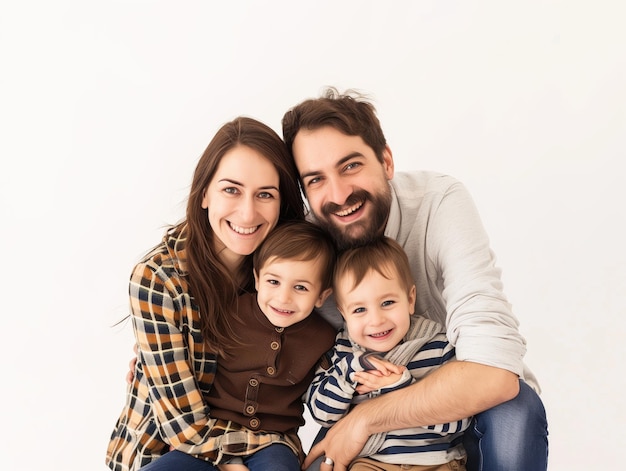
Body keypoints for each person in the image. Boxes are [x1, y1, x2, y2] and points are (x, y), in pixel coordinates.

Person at [281, 87, 549, 471]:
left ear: (386, 161)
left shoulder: (439, 202)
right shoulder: (305, 251)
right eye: (316, 180)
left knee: (516, 411)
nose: (338, 194)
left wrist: (365, 419)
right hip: (373, 445)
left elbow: (495, 372)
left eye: (351, 165)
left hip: (458, 419)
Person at [106, 116, 308, 471]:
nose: (247, 212)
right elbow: (183, 426)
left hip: (264, 441)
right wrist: (231, 465)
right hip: (170, 446)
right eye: (231, 189)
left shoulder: (290, 274)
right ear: (204, 195)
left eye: (265, 194)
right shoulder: (158, 279)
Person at [306, 237, 471, 471]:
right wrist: (350, 370)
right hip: (370, 463)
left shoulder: (439, 347)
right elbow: (321, 413)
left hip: (436, 463)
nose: (376, 320)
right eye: (360, 309)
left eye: (387, 302)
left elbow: (459, 422)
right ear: (344, 313)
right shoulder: (344, 352)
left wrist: (401, 387)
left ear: (410, 299)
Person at [204, 220, 337, 471]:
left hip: (275, 440)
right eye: (273, 282)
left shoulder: (324, 337)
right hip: (213, 432)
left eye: (300, 287)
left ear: (321, 296)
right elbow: (189, 357)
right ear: (257, 279)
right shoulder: (230, 313)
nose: (283, 297)